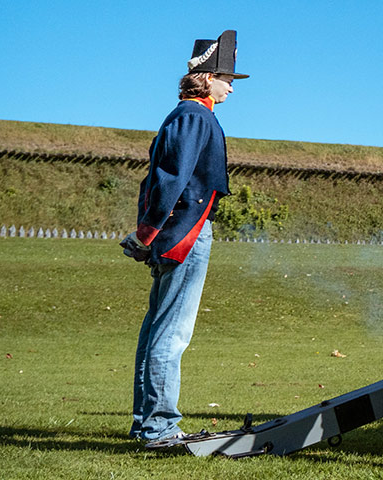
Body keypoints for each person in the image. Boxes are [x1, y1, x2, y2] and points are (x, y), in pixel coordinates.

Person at [121, 30, 246, 450]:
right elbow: (171, 183)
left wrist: (147, 235)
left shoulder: (185, 115)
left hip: (173, 234)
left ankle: (146, 426)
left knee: (157, 333)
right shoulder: (195, 116)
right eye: (226, 77)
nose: (231, 85)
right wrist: (147, 235)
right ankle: (158, 428)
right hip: (186, 235)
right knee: (171, 337)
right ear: (207, 77)